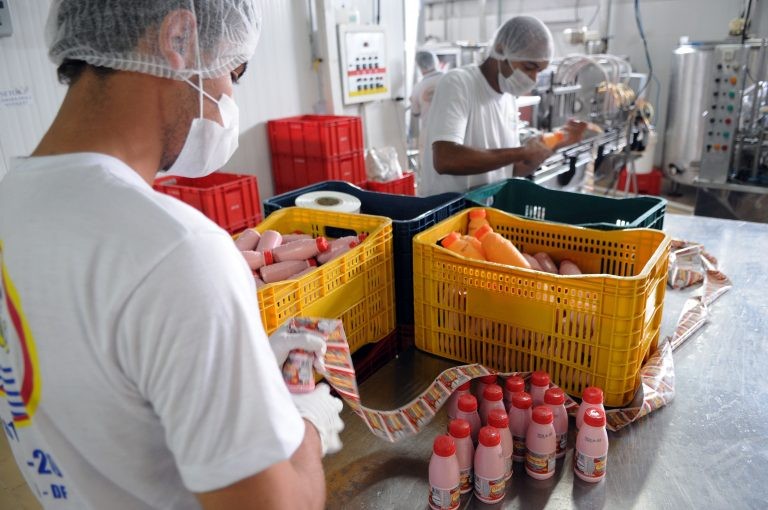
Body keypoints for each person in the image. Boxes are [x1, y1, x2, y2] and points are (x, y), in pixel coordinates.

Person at [0, 1, 343, 509]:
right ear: (178, 38)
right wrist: (307, 422)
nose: (229, 98)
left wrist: (221, 359)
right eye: (234, 72)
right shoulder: (176, 250)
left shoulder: (11, 202)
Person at [419, 16, 587, 196]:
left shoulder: (508, 98)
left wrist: (553, 146)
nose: (533, 78)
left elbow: (512, 170)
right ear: (501, 49)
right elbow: (446, 159)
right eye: (529, 66)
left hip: (485, 208)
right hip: (449, 209)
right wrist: (522, 152)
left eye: (539, 71)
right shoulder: (459, 83)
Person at [409, 50, 444, 172]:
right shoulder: (449, 79)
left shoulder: (418, 87)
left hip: (429, 133)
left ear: (419, 66)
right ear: (435, 61)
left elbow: (415, 113)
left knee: (428, 169)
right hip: (451, 130)